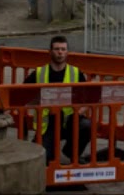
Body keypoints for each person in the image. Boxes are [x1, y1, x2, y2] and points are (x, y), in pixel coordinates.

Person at [24, 35, 91, 165]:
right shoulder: (38, 73)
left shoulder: (76, 73)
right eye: (56, 49)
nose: (60, 52)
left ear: (67, 52)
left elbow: (88, 97)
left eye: (63, 49)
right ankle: (43, 146)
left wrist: (81, 110)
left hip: (69, 121)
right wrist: (35, 102)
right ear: (50, 51)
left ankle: (72, 153)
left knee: (86, 126)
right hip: (48, 123)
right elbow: (23, 96)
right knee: (44, 160)